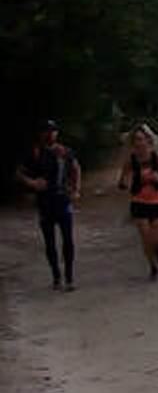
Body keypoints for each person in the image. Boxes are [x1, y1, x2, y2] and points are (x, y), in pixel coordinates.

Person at [16, 120, 81, 290]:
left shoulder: (64, 151)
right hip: (45, 202)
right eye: (47, 131)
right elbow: (19, 172)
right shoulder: (35, 152)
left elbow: (75, 168)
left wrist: (76, 189)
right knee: (50, 241)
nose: (50, 134)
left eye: (53, 131)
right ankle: (56, 276)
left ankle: (69, 277)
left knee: (68, 239)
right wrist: (32, 183)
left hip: (63, 199)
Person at [116, 123, 158, 279]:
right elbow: (122, 180)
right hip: (138, 201)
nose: (139, 143)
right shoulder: (130, 160)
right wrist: (125, 183)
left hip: (156, 201)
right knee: (145, 237)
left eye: (142, 139)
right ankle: (153, 267)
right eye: (136, 140)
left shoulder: (156, 157)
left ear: (149, 140)